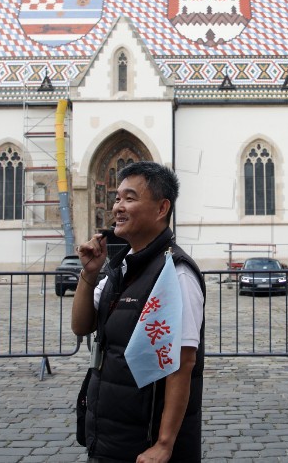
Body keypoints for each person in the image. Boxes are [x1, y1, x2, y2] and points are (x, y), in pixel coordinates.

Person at [72, 161, 206, 463]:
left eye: (129, 198)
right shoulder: (120, 264)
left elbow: (182, 362)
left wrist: (164, 444)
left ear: (161, 209)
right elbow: (81, 327)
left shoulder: (176, 272)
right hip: (110, 433)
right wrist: (89, 274)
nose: (118, 206)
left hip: (144, 440)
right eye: (117, 197)